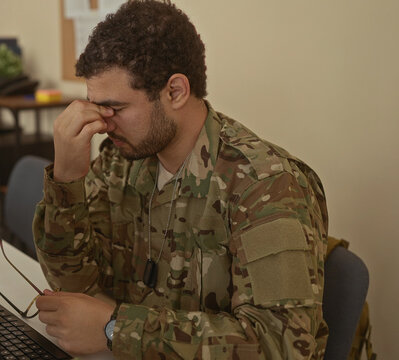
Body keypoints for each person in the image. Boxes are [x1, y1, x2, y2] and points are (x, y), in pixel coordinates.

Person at [34, 1, 329, 358]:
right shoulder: (122, 161)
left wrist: (116, 328)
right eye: (97, 108)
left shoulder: (266, 185)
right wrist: (67, 178)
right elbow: (74, 283)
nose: (103, 125)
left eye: (117, 109)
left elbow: (280, 344)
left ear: (175, 91)